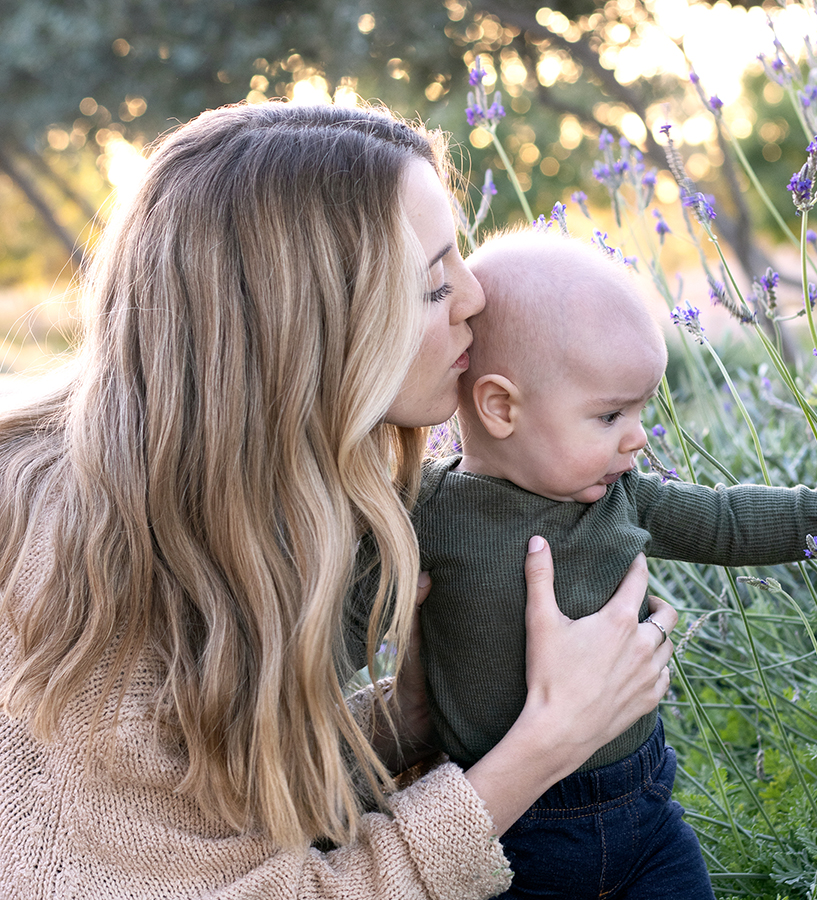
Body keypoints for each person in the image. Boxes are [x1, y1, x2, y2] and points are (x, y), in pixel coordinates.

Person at [0, 102, 680, 899]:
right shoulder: (79, 577)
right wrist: (543, 747)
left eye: (459, 257)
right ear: (313, 335)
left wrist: (409, 721)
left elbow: (212, 815)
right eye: (433, 286)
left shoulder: (240, 500)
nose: (475, 298)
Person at [352, 227, 817, 899]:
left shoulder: (624, 496)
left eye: (639, 410)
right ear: (501, 407)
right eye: (610, 415)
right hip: (506, 831)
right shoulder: (426, 513)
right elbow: (336, 619)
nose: (638, 437)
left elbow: (726, 522)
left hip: (645, 816)